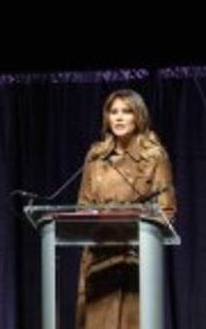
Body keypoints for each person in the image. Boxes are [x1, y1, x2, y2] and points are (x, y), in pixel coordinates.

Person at [75, 89, 176, 328]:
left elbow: (167, 211)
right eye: (113, 112)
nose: (119, 118)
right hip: (99, 258)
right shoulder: (96, 157)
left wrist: (136, 224)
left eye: (126, 111)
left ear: (137, 116)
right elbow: (82, 207)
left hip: (135, 257)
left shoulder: (155, 157)